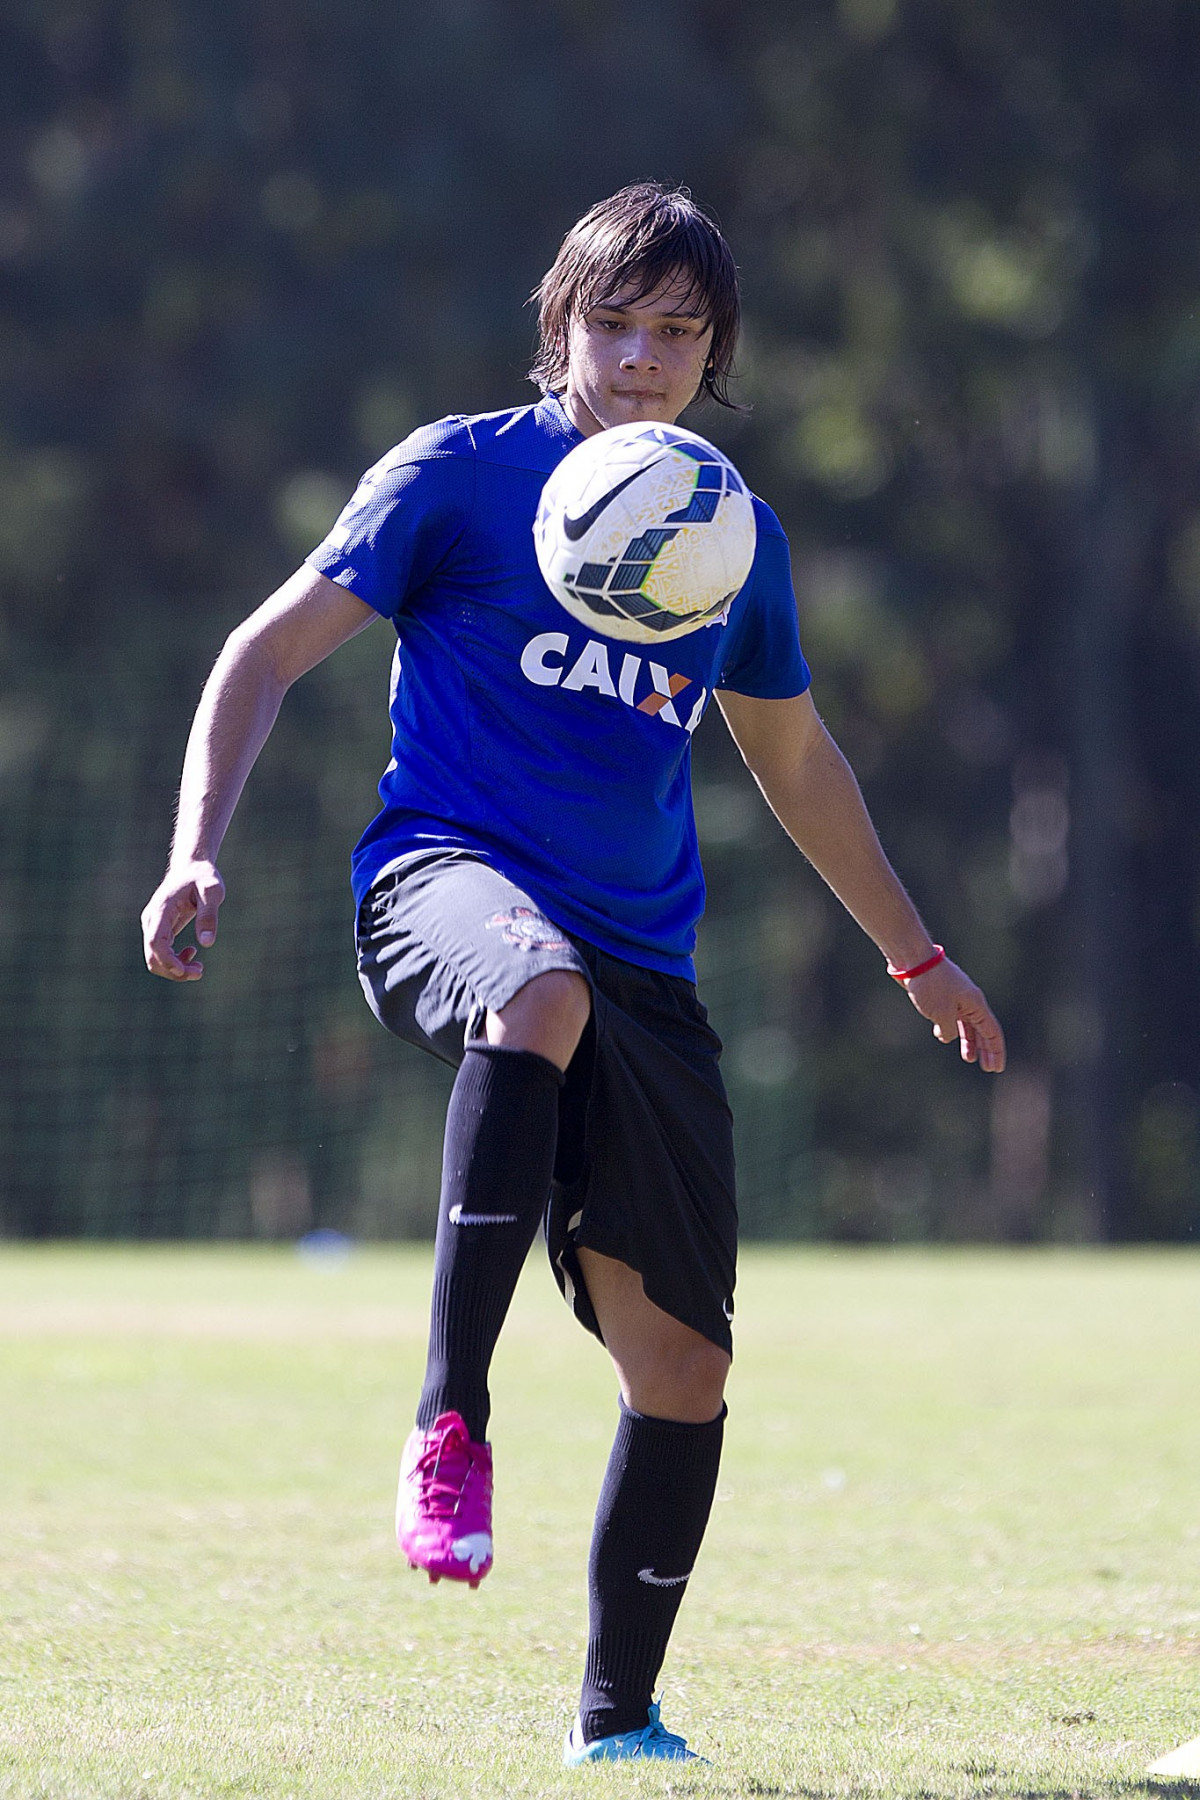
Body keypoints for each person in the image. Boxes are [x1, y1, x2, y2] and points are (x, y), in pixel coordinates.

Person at [142, 182, 1005, 1766]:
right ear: (563, 323)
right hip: (445, 887)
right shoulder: (463, 477)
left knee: (686, 1368)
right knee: (538, 990)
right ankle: (448, 1421)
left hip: (642, 960)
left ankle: (619, 1724)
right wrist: (197, 845)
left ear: (715, 353)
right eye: (617, 322)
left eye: (682, 332)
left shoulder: (727, 537)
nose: (645, 357)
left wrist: (918, 953)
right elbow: (260, 656)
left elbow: (798, 763)